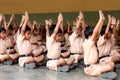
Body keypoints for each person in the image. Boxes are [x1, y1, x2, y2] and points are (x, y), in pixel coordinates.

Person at [83, 10, 117, 80]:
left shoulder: (92, 42)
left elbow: (97, 33)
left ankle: (105, 72)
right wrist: (100, 19)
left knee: (112, 64)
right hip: (90, 68)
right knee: (110, 67)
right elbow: (95, 32)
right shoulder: (87, 43)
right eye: (94, 36)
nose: (97, 37)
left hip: (95, 65)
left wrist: (102, 21)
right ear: (89, 36)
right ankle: (105, 73)